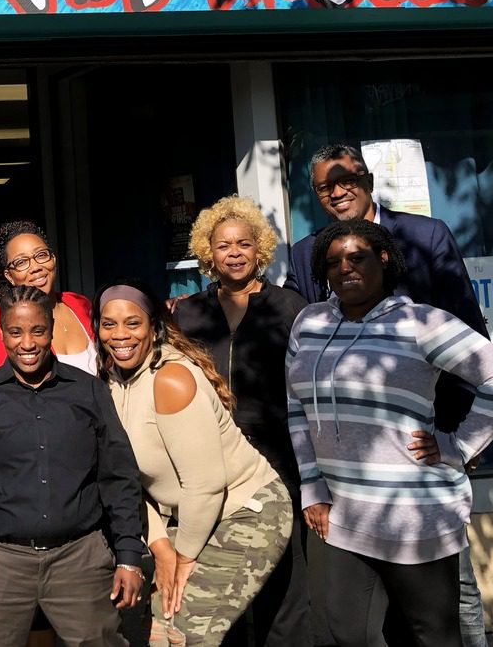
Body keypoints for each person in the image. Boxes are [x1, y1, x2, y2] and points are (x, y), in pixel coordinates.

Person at [285, 143, 492, 647]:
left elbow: (471, 337)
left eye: (346, 179)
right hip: (349, 474)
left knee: (448, 598)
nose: (337, 191)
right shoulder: (307, 250)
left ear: (368, 178)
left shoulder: (425, 235)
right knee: (358, 615)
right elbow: (296, 334)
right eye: (323, 186)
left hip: (421, 456)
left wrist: (459, 442)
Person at [0, 285, 145, 646]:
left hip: (79, 558)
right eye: (16, 332)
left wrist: (128, 557)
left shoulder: (89, 392)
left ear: (51, 329)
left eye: (37, 331)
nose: (28, 343)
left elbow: (118, 478)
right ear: (1, 333)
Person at [96, 280, 292, 647]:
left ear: (154, 327)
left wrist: (183, 560)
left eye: (132, 323)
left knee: (188, 633)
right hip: (185, 521)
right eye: (109, 324)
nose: (120, 334)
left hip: (245, 510)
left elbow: (206, 485)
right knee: (156, 633)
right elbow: (127, 483)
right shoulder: (110, 384)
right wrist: (161, 549)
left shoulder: (170, 379)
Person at [177, 195, 311, 647]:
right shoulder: (188, 312)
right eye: (223, 245)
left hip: (278, 462)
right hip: (214, 466)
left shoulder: (290, 308)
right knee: (222, 586)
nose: (234, 252)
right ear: (207, 252)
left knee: (281, 585)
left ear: (260, 249)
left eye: (244, 243)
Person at [0, 220, 95, 377]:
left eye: (41, 255)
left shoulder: (80, 305)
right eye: (21, 262)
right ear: (9, 276)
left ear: (53, 259)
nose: (35, 267)